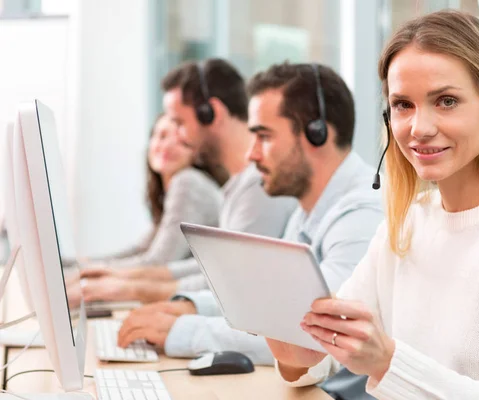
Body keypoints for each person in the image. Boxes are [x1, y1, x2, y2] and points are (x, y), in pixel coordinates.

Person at [266, 11, 479, 399]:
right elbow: (326, 355)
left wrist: (386, 362)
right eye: (403, 105)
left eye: (446, 101)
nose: (419, 128)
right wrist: (299, 352)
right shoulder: (409, 221)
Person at [116, 63, 384, 386]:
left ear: (318, 132)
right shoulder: (307, 211)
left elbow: (308, 334)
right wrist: (189, 307)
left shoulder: (361, 216)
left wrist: (183, 332)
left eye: (264, 137)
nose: (252, 154)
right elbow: (265, 301)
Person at [81, 59, 297, 302]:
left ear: (211, 113)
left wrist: (130, 286)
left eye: (180, 123)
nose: (179, 138)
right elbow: (209, 267)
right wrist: (124, 277)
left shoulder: (260, 189)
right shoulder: (238, 187)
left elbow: (229, 283)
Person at [88, 113, 222, 269]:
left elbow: (158, 263)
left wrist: (87, 272)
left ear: (197, 154)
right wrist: (81, 265)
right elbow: (140, 250)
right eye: (162, 136)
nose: (167, 146)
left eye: (182, 142)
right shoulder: (174, 190)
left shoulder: (188, 183)